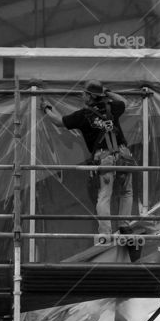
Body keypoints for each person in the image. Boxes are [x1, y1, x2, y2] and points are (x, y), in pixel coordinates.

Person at [42, 80, 134, 238]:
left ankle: (105, 234)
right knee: (126, 191)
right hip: (123, 154)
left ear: (91, 96)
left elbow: (58, 121)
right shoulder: (112, 107)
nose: (81, 95)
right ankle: (124, 226)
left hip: (105, 157)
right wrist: (107, 91)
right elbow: (124, 101)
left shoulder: (84, 115)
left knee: (105, 194)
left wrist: (46, 108)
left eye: (84, 93)